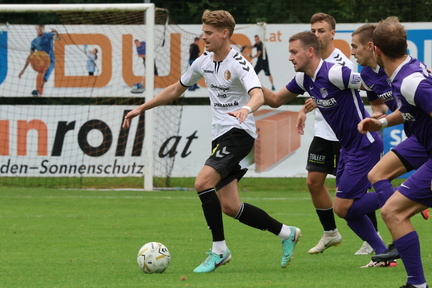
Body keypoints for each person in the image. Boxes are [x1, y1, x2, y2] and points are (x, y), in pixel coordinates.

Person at [123, 9, 301, 273]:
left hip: (240, 133)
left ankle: (220, 250)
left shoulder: (239, 63)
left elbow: (258, 95)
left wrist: (246, 110)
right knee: (230, 206)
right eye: (203, 32)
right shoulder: (202, 62)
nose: (203, 37)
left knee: (202, 182)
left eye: (208, 33)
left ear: (224, 33)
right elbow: (175, 89)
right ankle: (286, 233)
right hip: (220, 136)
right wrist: (142, 107)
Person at [264, 31, 395, 268]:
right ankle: (383, 255)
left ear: (310, 52)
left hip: (364, 144)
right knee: (347, 210)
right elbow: (274, 99)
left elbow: (372, 83)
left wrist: (383, 107)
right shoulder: (305, 79)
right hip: (348, 148)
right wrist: (250, 86)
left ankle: (409, 194)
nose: (290, 58)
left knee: (342, 207)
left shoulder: (334, 72)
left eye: (294, 52)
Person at [358, 16, 432, 288]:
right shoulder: (407, 70)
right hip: (424, 143)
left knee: (393, 213)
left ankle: (417, 284)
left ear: (375, 49)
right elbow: (411, 109)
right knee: (390, 205)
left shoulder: (409, 80)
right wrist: (382, 122)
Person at [297, 12, 378, 255]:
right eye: (313, 31)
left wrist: (378, 112)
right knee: (313, 182)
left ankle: (372, 236)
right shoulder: (310, 63)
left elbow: (346, 88)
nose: (316, 35)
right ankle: (330, 233)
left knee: (356, 191)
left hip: (346, 135)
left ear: (332, 34)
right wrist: (303, 108)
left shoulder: (342, 63)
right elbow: (310, 87)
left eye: (321, 31)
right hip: (323, 132)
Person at [18, 24, 60, 97]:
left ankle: (38, 93)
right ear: (36, 29)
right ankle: (37, 93)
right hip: (41, 62)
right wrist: (23, 70)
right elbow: (30, 56)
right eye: (37, 29)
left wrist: (56, 32)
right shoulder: (34, 42)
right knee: (41, 75)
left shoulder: (48, 35)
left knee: (44, 80)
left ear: (43, 28)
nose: (39, 30)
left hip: (51, 61)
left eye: (40, 29)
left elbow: (57, 38)